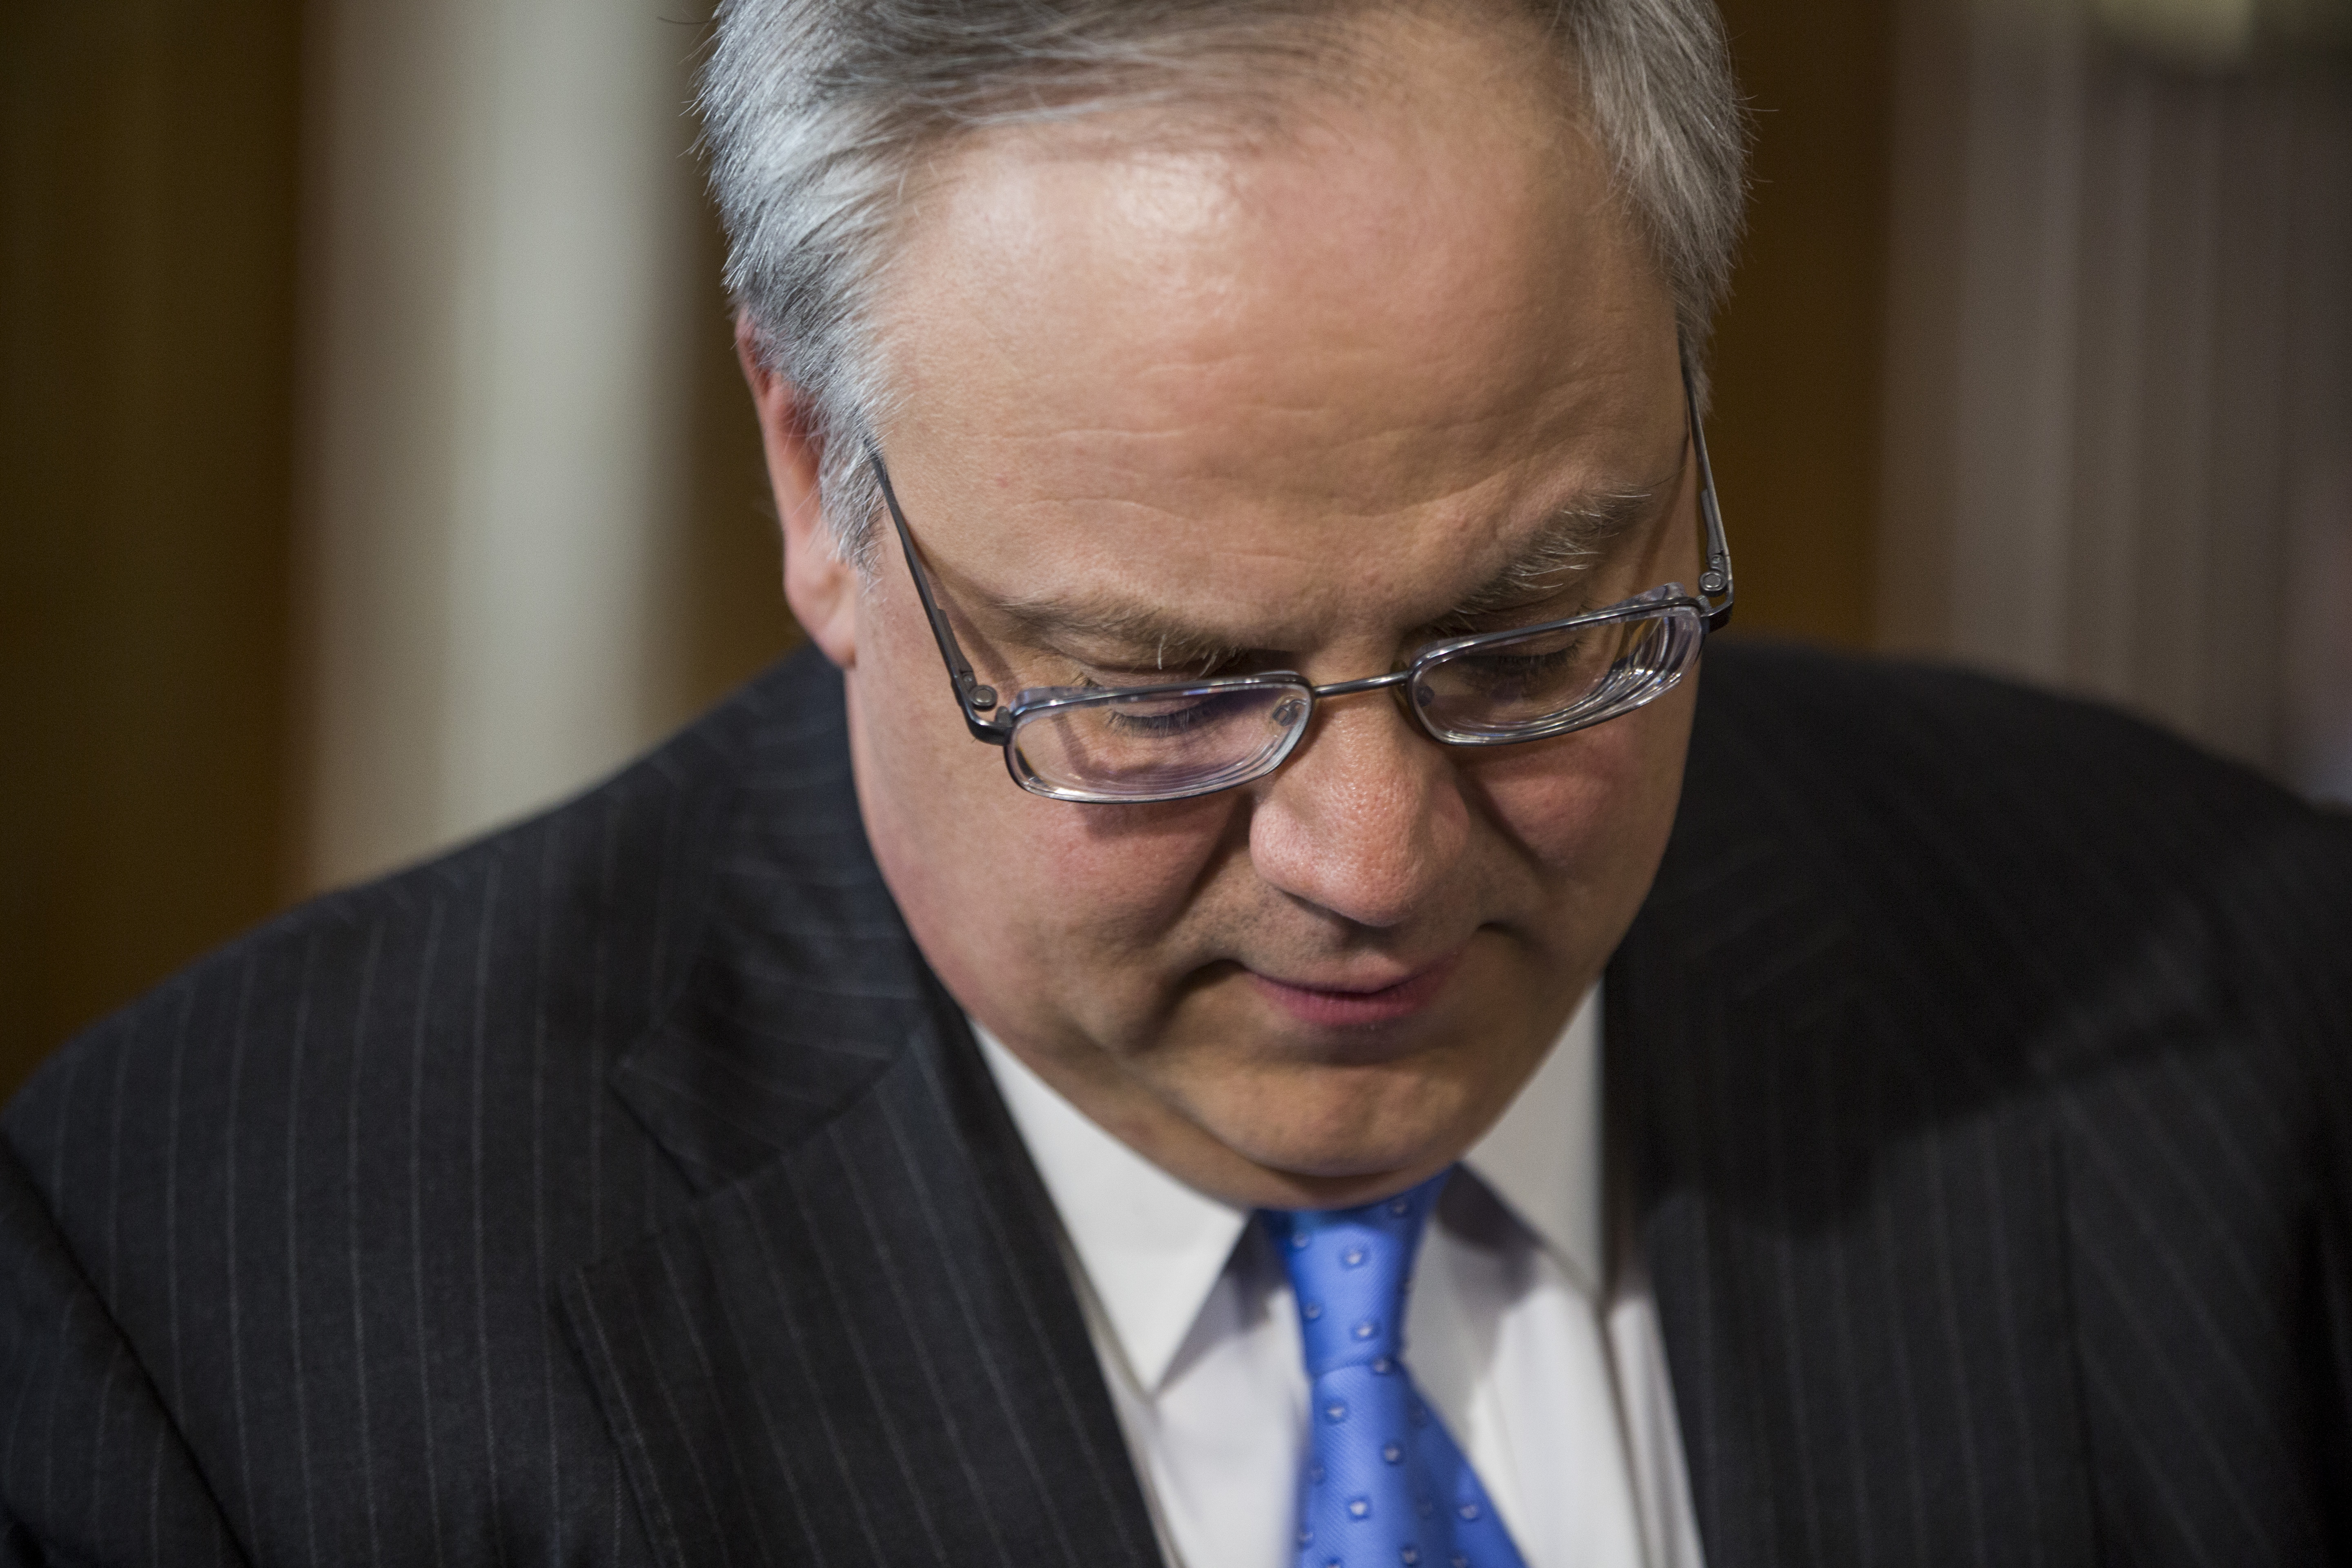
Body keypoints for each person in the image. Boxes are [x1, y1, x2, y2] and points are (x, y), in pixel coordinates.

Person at [4, 0, 2348, 1563]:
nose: (1372, 858)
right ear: (822, 486)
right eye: (1158, 685)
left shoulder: (2252, 1018)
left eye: (1533, 631)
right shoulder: (202, 1323)